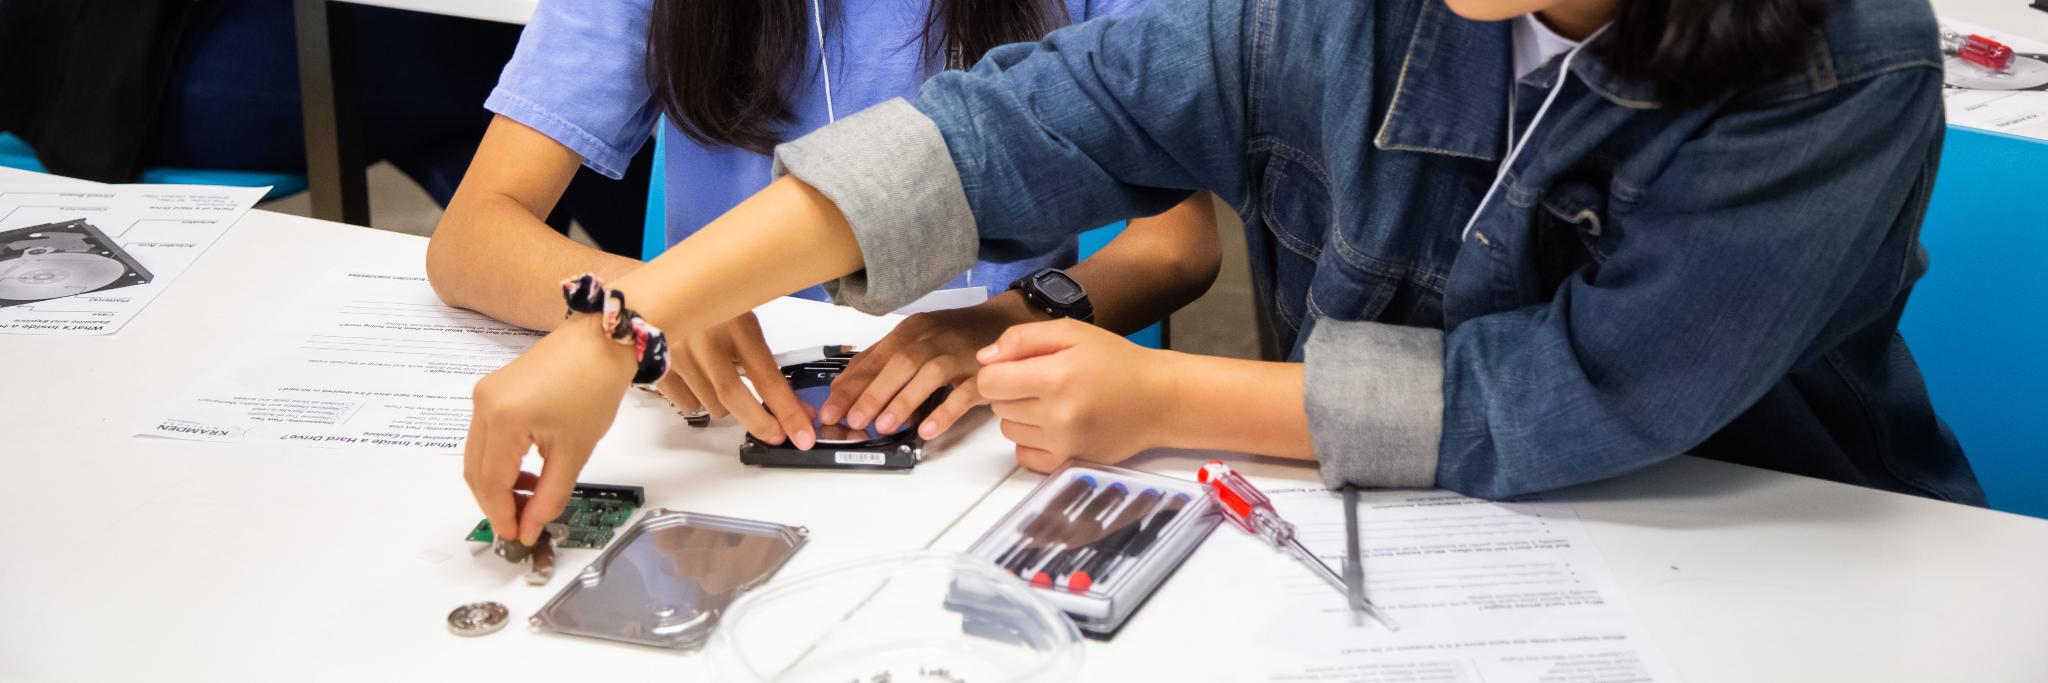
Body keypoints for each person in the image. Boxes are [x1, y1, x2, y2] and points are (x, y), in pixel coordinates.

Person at [462, 0, 1989, 545]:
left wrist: (1169, 392)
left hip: (1756, 543)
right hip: (1401, 539)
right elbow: (1022, 124)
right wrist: (625, 316)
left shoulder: (1840, 72)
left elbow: (1581, 395)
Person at [427, 0, 1218, 488]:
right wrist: (648, 306)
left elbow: (1178, 242)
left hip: (990, 427)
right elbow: (471, 237)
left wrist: (1008, 319)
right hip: (721, 437)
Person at [0, 0, 648, 254]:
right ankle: (683, 298)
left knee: (512, 116)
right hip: (119, 58)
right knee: (535, 63)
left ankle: (674, 298)